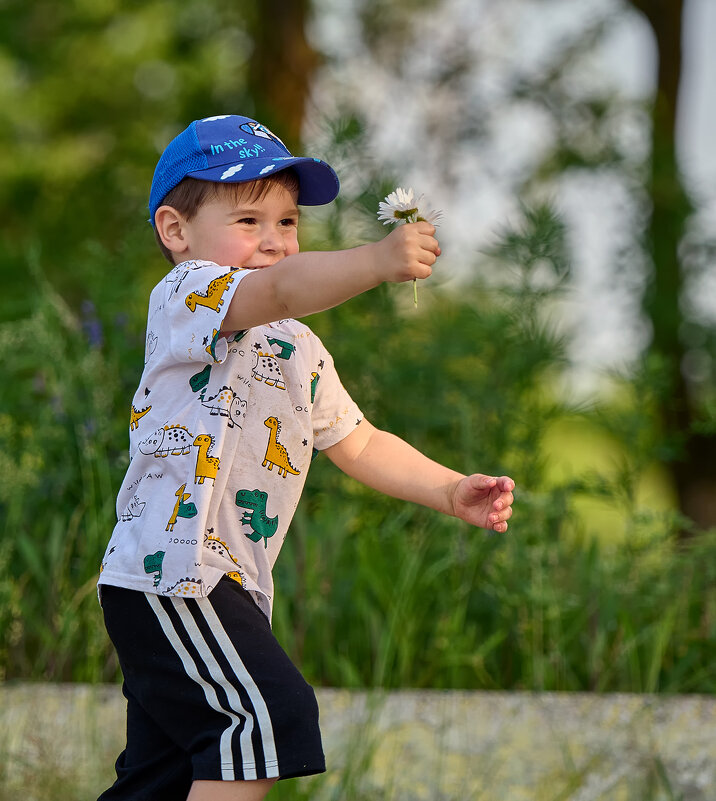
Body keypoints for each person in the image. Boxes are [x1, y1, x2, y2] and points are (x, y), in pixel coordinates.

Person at [97, 113, 515, 801]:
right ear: (177, 232)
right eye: (249, 221)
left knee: (164, 774)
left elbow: (362, 440)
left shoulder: (297, 347)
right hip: (171, 572)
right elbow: (283, 288)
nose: (274, 241)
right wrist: (378, 260)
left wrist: (447, 489)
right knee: (265, 718)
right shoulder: (186, 296)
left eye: (287, 223)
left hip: (224, 584)